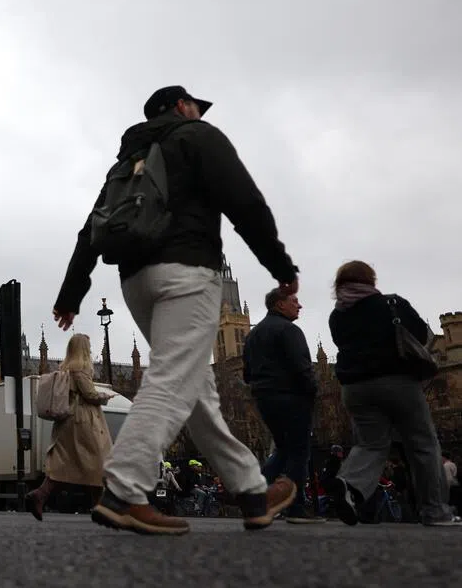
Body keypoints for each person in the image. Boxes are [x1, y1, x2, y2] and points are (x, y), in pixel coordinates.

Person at [53, 86, 297, 536]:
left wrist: (71, 293)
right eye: (196, 107)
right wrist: (281, 267)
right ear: (183, 107)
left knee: (196, 388)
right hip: (186, 272)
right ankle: (124, 490)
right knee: (172, 379)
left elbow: (91, 228)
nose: (199, 113)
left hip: (135, 281)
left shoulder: (128, 158)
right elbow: (244, 201)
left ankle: (252, 491)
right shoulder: (196, 136)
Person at [325, 260, 459, 527]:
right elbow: (421, 334)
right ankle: (434, 510)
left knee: (370, 444)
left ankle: (349, 484)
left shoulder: (336, 316)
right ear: (370, 280)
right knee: (423, 443)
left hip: (354, 388)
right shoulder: (391, 304)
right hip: (396, 381)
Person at [243, 287, 324, 523]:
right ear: (280, 304)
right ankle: (296, 507)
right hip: (292, 397)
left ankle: (253, 493)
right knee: (298, 451)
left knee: (284, 449)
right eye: (294, 301)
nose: (299, 305)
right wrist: (312, 391)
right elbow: (302, 367)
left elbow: (247, 374)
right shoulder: (289, 330)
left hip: (264, 399)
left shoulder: (253, 335)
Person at [26, 333, 112, 521]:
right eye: (88, 346)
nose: (90, 350)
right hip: (83, 422)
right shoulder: (81, 369)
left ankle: (40, 494)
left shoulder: (66, 368)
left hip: (66, 422)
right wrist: (106, 396)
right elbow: (90, 394)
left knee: (64, 463)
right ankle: (101, 508)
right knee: (98, 463)